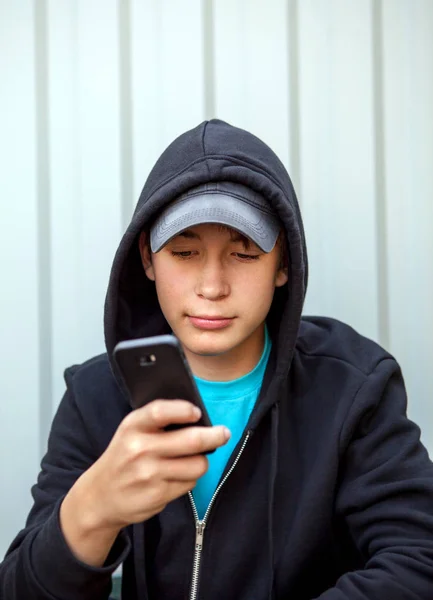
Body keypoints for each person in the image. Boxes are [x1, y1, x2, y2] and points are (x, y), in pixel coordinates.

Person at [1, 119, 433, 600]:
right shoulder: (95, 397)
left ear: (283, 263)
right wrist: (91, 510)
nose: (211, 287)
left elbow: (418, 558)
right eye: (184, 252)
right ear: (147, 258)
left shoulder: (353, 388)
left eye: (244, 254)